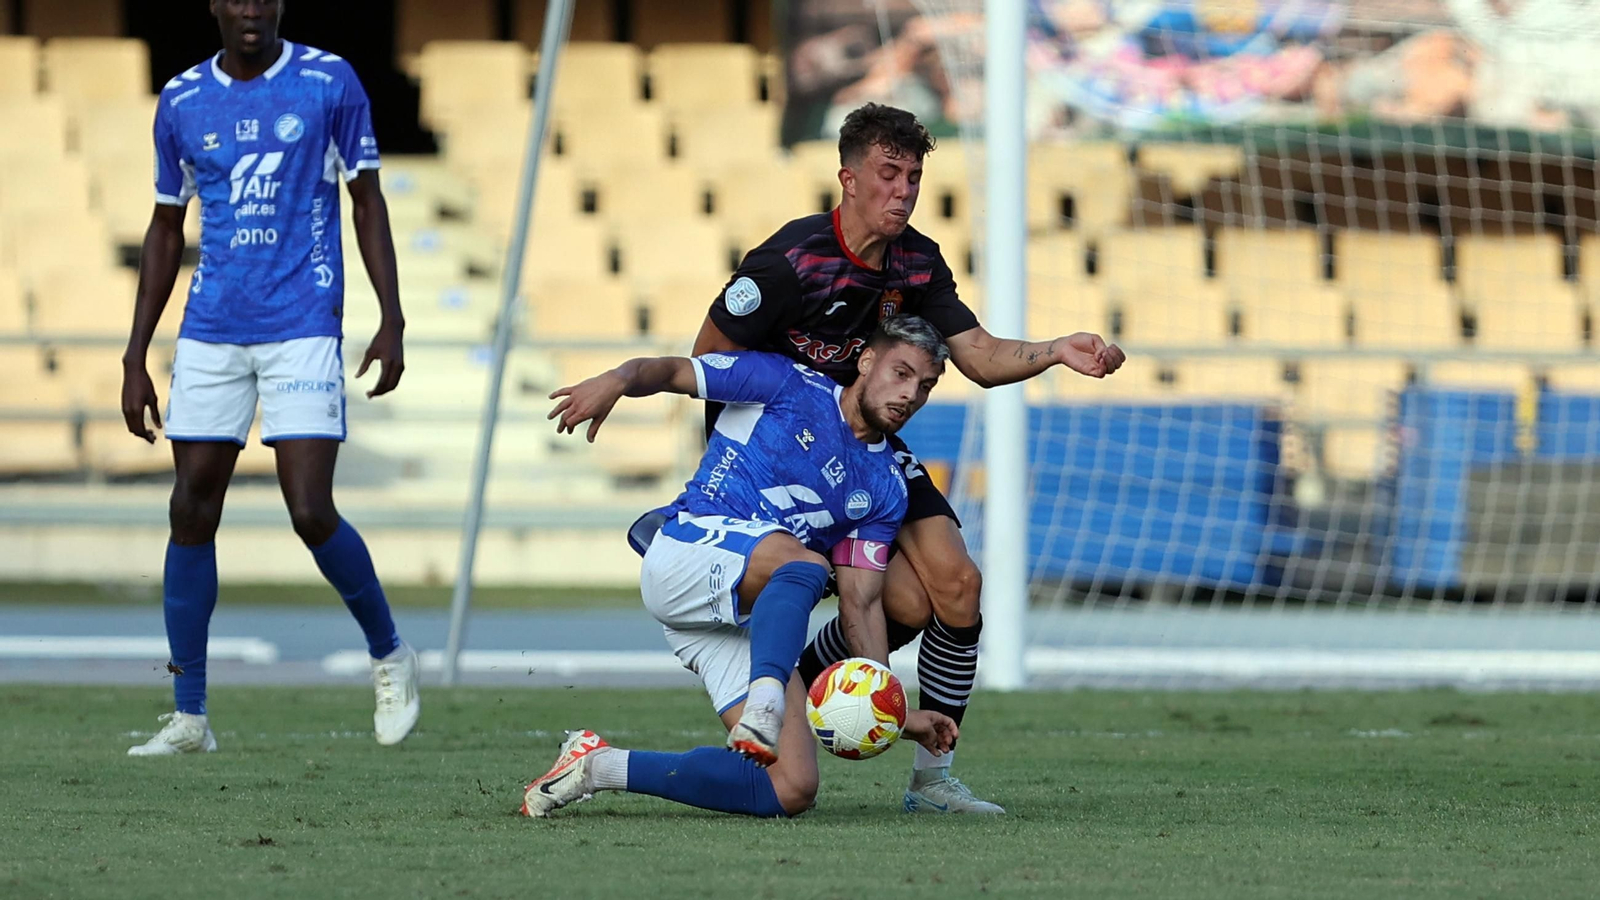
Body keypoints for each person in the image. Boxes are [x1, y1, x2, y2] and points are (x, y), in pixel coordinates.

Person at [687, 102, 1127, 813]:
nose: (903, 191)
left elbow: (978, 357)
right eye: (888, 174)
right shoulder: (788, 263)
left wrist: (1055, 350)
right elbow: (709, 359)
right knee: (901, 603)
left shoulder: (918, 261)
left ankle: (929, 780)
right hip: (782, 463)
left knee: (950, 589)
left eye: (914, 177)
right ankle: (796, 691)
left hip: (870, 451)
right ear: (849, 178)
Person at [120, 0, 418, 755]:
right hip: (213, 326)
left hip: (303, 321)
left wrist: (392, 314)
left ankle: (390, 656)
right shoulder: (183, 99)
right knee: (190, 509)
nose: (250, 9)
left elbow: (366, 199)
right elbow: (164, 226)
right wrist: (134, 354)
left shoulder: (329, 82)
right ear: (216, 7)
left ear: (279, 4)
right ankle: (190, 716)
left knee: (311, 510)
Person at [522, 316, 959, 819]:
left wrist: (889, 708)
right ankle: (766, 701)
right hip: (684, 554)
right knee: (805, 563)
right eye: (900, 373)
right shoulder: (787, 385)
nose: (910, 394)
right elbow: (671, 372)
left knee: (790, 787)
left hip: (737, 615)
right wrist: (618, 380)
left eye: (925, 386)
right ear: (866, 361)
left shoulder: (885, 487)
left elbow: (861, 601)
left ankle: (597, 767)